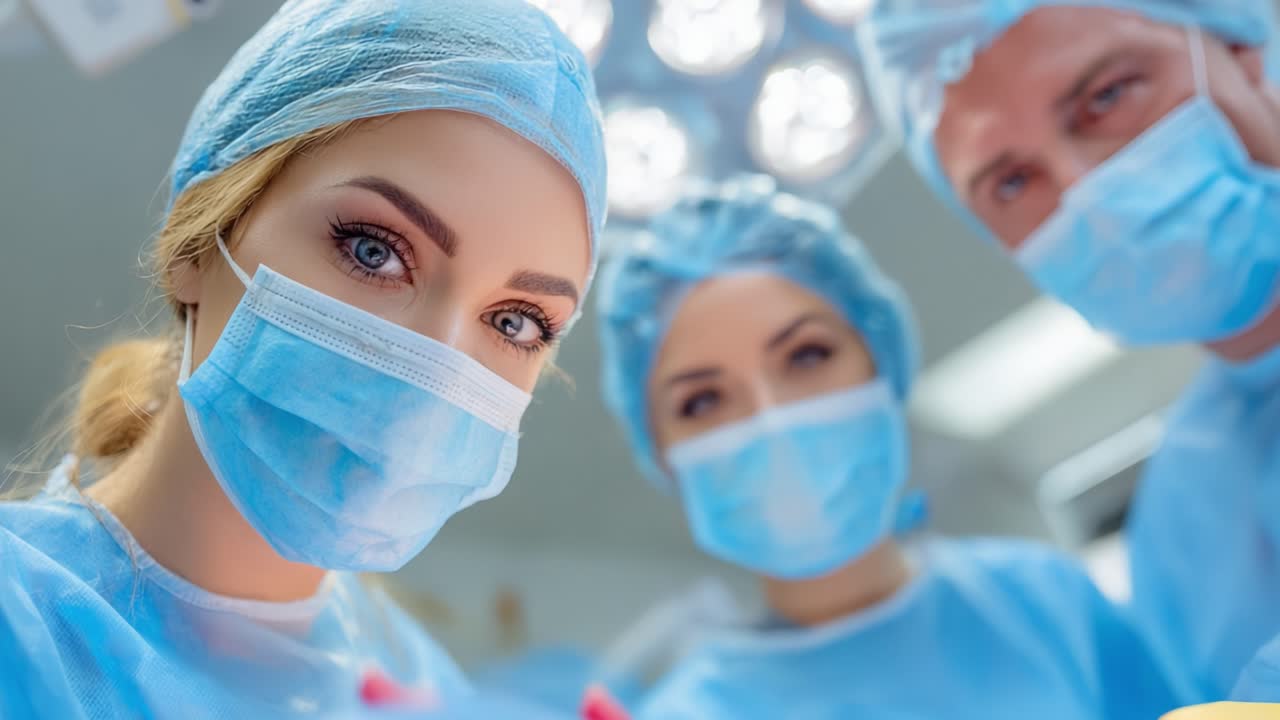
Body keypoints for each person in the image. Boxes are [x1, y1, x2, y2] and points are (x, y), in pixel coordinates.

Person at [0, 0, 606, 716]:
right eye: (373, 250)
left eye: (515, 322)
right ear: (198, 245)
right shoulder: (20, 622)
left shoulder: (419, 689)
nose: (432, 364)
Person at [593, 175, 1180, 720]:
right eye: (702, 401)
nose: (772, 420)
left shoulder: (1044, 603)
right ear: (661, 452)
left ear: (882, 360)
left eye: (807, 356)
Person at [857, 0, 1280, 704]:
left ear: (1239, 49)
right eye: (1013, 183)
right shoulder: (1183, 534)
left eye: (1107, 96)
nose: (1088, 193)